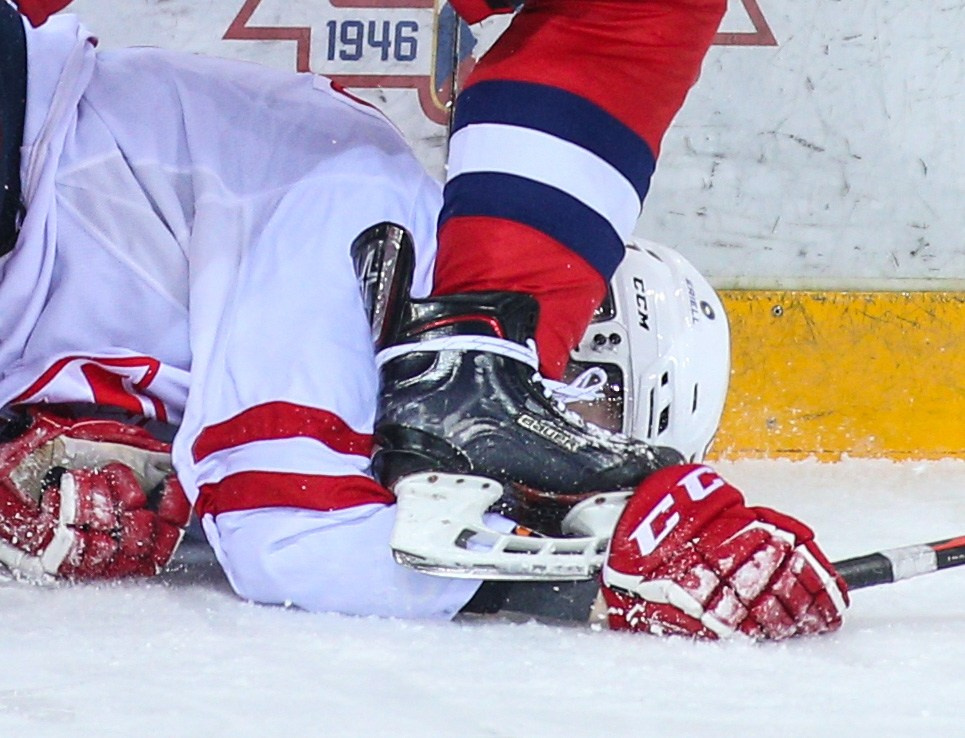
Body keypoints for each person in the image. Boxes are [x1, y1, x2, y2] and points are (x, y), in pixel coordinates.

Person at [0, 0, 848, 639]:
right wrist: (608, 579)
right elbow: (294, 532)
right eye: (586, 416)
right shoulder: (368, 209)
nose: (544, 486)